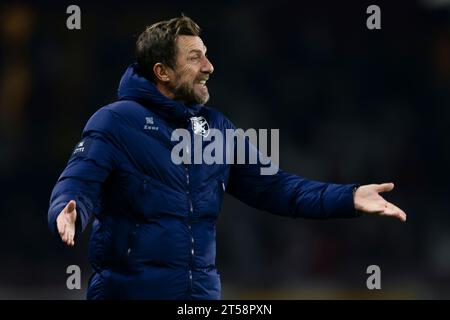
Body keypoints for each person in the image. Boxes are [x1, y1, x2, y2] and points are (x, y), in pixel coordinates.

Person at [47, 15, 406, 300]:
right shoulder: (115, 121)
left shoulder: (216, 127)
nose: (209, 66)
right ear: (163, 72)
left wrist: (349, 197)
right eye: (195, 57)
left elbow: (279, 189)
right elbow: (78, 183)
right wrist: (68, 209)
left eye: (206, 54)